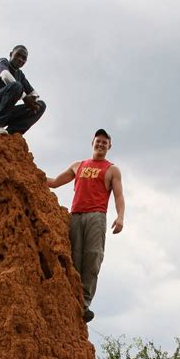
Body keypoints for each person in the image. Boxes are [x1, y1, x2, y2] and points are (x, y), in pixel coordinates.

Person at [46, 129, 125, 323]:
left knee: (92, 257)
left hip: (96, 216)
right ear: (92, 142)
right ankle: (69, 296)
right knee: (74, 256)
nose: (100, 145)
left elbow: (119, 195)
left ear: (109, 146)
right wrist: (30, 172)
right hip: (76, 215)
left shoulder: (112, 169)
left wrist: (120, 217)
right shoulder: (78, 166)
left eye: (104, 143)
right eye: (98, 142)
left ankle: (85, 302)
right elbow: (55, 182)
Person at [0, 45, 46, 135]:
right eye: (18, 55)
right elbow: (5, 76)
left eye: (24, 58)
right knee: (17, 86)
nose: (20, 59)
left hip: (4, 112)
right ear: (11, 54)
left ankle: (12, 133)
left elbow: (34, 93)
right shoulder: (2, 62)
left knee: (41, 105)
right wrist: (25, 98)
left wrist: (33, 101)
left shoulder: (20, 75)